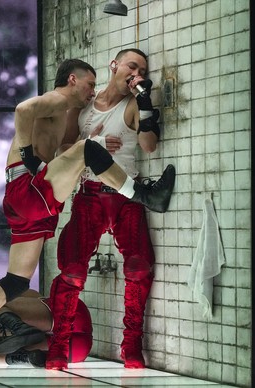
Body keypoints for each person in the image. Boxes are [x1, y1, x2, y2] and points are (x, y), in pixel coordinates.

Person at [0, 58, 175, 370]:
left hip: (24, 193)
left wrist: (83, 145)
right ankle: (146, 195)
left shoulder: (64, 113)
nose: (93, 92)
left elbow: (62, 153)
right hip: (28, 187)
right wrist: (31, 152)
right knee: (88, 150)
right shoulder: (59, 98)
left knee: (16, 282)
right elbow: (22, 110)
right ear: (73, 80)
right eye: (90, 84)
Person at [46, 49, 166, 370]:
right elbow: (63, 148)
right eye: (131, 65)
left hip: (126, 196)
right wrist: (92, 144)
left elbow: (149, 145)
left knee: (139, 268)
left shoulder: (132, 106)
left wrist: (144, 100)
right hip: (90, 195)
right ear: (114, 65)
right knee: (71, 269)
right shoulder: (84, 104)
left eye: (141, 69)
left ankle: (131, 345)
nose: (135, 72)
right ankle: (58, 346)